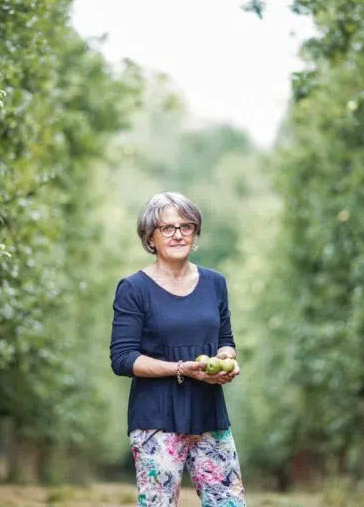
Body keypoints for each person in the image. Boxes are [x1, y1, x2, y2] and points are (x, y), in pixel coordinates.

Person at [109, 192, 246, 507]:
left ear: (196, 233)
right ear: (150, 237)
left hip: (210, 415)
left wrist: (226, 362)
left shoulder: (215, 283)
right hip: (156, 418)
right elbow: (122, 358)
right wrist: (181, 369)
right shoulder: (133, 289)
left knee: (229, 503)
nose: (178, 234)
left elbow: (225, 338)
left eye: (187, 226)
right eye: (167, 227)